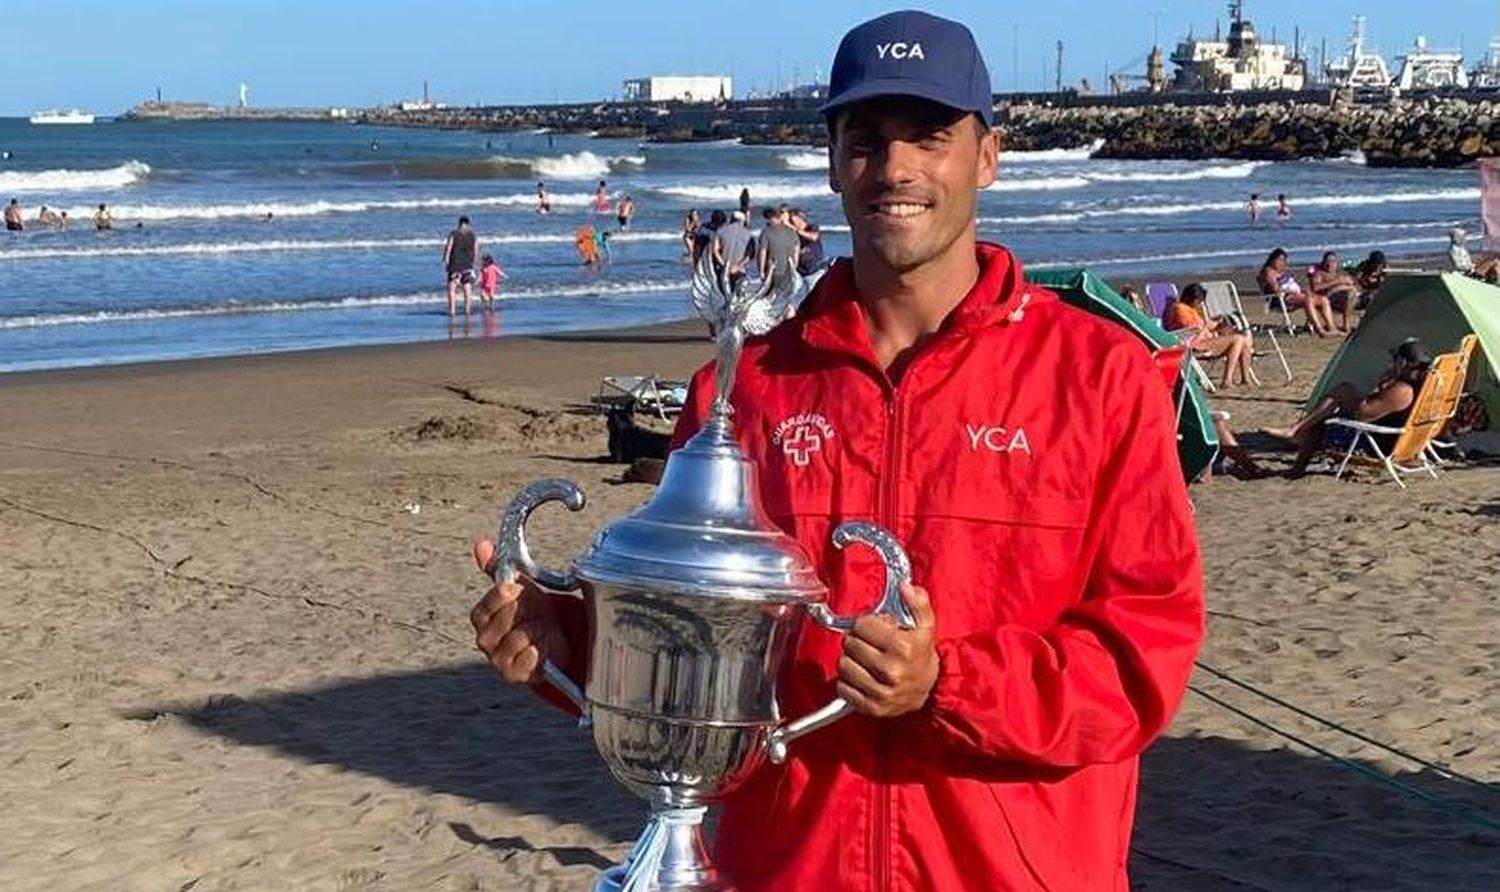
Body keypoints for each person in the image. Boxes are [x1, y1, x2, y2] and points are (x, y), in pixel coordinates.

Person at [469, 11, 1203, 891]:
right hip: (784, 869)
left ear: (989, 156)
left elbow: (1141, 658)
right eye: (866, 138)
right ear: (831, 160)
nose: (896, 169)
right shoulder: (740, 388)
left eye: (930, 136)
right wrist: (565, 644)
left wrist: (948, 683)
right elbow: (693, 643)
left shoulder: (1097, 378)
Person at [1262, 338, 1432, 476]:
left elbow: (1362, 415)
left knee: (1326, 416)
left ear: (1402, 363)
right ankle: (1297, 432)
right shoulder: (1424, 385)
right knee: (1329, 410)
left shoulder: (1401, 390)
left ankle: (1296, 463)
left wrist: (1372, 389)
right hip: (1407, 442)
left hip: (1376, 446)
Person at [1163, 282, 1255, 388]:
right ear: (1192, 299)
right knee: (1237, 339)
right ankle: (1227, 380)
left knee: (1243, 338)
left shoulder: (1189, 310)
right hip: (1193, 344)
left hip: (1201, 340)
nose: (1199, 304)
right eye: (1199, 301)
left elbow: (1201, 327)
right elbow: (1194, 330)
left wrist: (1216, 327)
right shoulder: (1179, 309)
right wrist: (1210, 328)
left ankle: (1245, 378)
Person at [1257, 247, 1334, 335]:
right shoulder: (1269, 271)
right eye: (1279, 259)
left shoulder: (1282, 272)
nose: (1281, 262)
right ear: (1272, 259)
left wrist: (1302, 291)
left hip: (1296, 296)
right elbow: (1276, 290)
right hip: (1281, 300)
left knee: (1323, 299)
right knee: (1308, 299)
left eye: (1284, 260)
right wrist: (1291, 291)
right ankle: (1320, 330)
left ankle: (1331, 328)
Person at [1309, 250, 1359, 332]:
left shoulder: (1338, 273)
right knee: (1351, 293)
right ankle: (1346, 322)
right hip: (1328, 300)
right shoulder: (1319, 273)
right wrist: (1337, 282)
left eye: (1333, 261)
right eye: (1328, 261)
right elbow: (1315, 288)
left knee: (1356, 294)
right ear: (1323, 262)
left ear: (1336, 263)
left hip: (1344, 299)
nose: (1330, 264)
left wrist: (1349, 282)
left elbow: (1353, 283)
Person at [442, 215, 478, 317]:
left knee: (452, 288)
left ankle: (452, 311)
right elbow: (476, 250)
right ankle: (467, 310)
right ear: (468, 224)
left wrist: (445, 260)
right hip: (467, 265)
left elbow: (449, 248)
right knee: (467, 288)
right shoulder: (472, 235)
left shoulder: (453, 234)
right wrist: (474, 263)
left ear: (460, 223)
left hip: (455, 265)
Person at [757, 205, 801, 286]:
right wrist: (794, 268)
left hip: (773, 271)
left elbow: (763, 252)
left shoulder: (766, 232)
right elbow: (796, 252)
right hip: (788, 271)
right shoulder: (792, 232)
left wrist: (761, 271)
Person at [711, 209, 753, 288]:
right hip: (740, 270)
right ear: (742, 221)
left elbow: (715, 251)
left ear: (731, 219)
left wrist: (725, 265)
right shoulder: (748, 234)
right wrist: (738, 266)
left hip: (723, 269)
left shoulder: (720, 231)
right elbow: (749, 255)